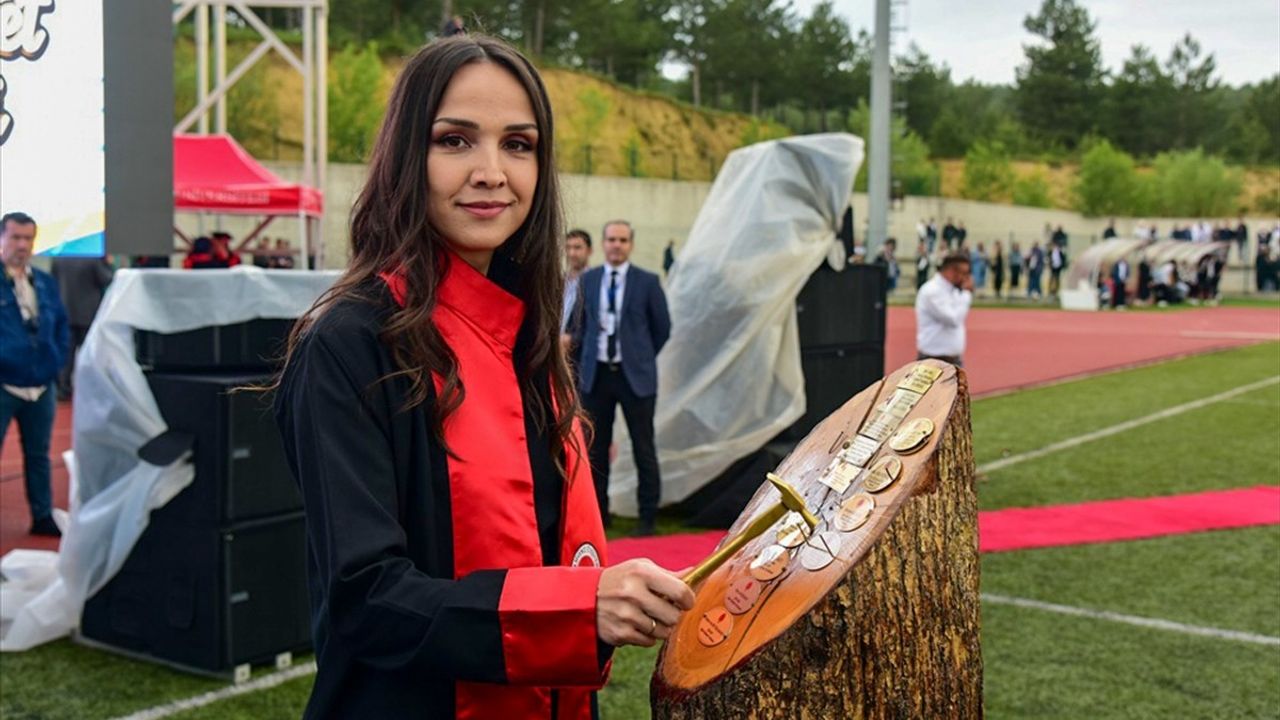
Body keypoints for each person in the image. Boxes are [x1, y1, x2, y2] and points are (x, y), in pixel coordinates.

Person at [271, 36, 694, 719]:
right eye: (456, 141)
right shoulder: (348, 345)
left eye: (518, 145)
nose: (492, 172)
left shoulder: (531, 341)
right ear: (408, 156)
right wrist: (577, 609)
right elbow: (365, 599)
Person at [568, 220, 670, 536]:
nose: (616, 245)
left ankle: (647, 517)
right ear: (603, 244)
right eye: (612, 239)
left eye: (623, 240)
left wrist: (639, 356)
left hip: (635, 377)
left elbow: (662, 329)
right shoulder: (589, 280)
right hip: (596, 377)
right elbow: (577, 326)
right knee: (595, 449)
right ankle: (599, 516)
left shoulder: (647, 281)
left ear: (631, 245)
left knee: (643, 447)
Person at [0, 212, 69, 537]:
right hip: (4, 384)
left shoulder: (44, 282)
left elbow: (61, 326)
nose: (22, 245)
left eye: (28, 238)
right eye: (15, 237)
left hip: (41, 385)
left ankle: (42, 515)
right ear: (2, 238)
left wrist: (55, 361)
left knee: (39, 455)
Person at [50, 254, 114, 399]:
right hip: (88, 314)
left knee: (66, 356)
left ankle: (63, 389)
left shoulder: (59, 257)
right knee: (90, 356)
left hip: (66, 312)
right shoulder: (93, 258)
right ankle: (90, 390)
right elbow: (107, 279)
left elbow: (53, 281)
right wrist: (108, 263)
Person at [914, 252, 972, 367]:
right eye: (964, 273)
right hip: (932, 360)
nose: (967, 278)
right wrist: (966, 294)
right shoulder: (932, 291)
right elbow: (952, 320)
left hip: (953, 359)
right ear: (951, 271)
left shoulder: (953, 290)